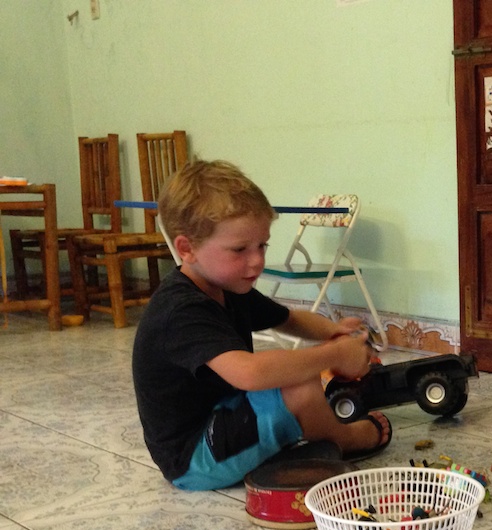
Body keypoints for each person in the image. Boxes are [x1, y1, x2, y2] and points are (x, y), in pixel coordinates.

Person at [132, 160, 392, 492]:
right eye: (240, 249)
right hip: (194, 458)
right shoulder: (180, 309)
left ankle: (299, 446)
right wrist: (333, 354)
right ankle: (345, 439)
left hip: (222, 416)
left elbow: (290, 319)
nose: (256, 260)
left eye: (262, 245)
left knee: (296, 376)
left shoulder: (227, 286)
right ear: (188, 249)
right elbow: (250, 373)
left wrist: (333, 331)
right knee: (297, 383)